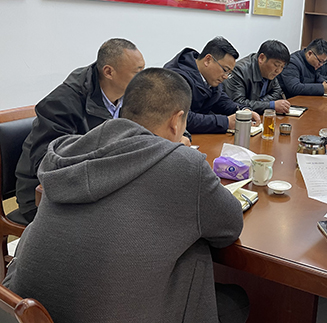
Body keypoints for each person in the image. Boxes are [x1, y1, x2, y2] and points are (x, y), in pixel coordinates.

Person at [3, 68, 248, 323]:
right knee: (235, 299)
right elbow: (229, 227)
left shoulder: (72, 149)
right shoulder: (184, 165)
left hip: (21, 311)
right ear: (177, 121)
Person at [13, 38, 145, 224]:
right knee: (125, 221)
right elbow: (47, 162)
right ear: (109, 72)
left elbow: (152, 124)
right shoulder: (62, 102)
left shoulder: (129, 95)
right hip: (43, 195)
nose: (143, 79)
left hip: (97, 183)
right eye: (137, 72)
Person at [164, 37, 260, 134]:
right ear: (208, 60)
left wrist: (243, 111)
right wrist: (226, 122)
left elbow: (222, 101)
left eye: (229, 73)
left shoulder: (210, 78)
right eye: (225, 70)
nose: (226, 77)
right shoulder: (175, 78)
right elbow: (183, 118)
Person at [224, 40, 291, 114]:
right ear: (262, 58)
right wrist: (270, 105)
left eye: (282, 67)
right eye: (276, 65)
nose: (278, 70)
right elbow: (238, 103)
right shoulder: (239, 71)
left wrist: (260, 103)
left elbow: (277, 93)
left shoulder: (270, 72)